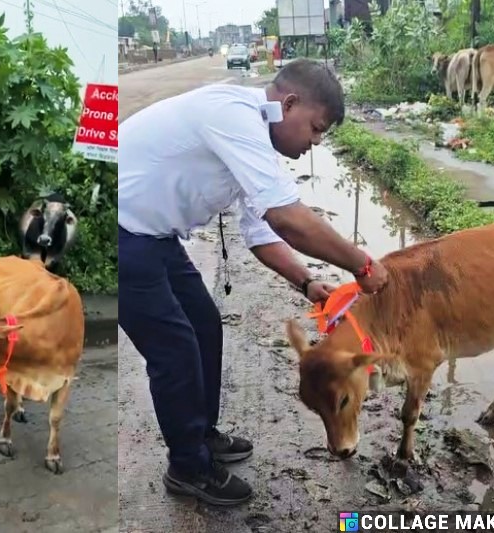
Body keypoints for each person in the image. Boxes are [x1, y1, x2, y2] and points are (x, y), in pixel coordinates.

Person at [118, 58, 390, 506]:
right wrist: (361, 265)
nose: (316, 142)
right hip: (123, 234)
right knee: (175, 349)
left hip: (154, 236)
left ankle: (201, 435)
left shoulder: (256, 141)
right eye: (316, 128)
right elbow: (288, 220)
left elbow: (261, 231)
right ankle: (188, 467)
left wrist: (306, 283)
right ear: (290, 102)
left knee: (204, 326)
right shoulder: (234, 116)